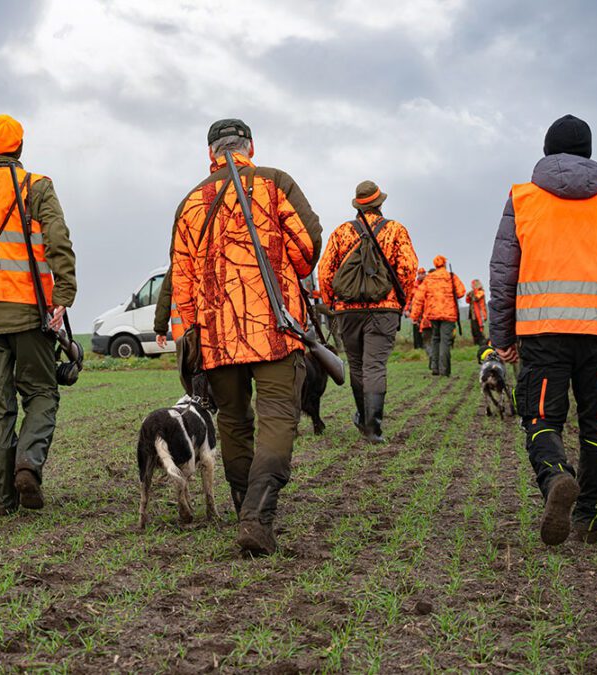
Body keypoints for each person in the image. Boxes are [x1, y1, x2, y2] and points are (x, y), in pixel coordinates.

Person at [489, 114, 597, 545]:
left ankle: (557, 477)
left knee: (542, 418)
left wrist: (502, 336)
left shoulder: (522, 198)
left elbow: (504, 273)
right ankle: (590, 521)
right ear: (590, 153)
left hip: (542, 333)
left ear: (546, 152)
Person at [170, 118, 321, 555]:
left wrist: (194, 330)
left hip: (217, 337)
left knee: (233, 421)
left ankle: (242, 504)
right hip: (274, 326)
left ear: (210, 153)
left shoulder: (191, 201)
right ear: (250, 147)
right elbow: (307, 248)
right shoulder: (275, 183)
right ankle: (258, 513)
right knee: (278, 417)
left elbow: (181, 280)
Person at [0, 114, 77, 516]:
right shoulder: (36, 185)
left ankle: (0, 498)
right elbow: (58, 239)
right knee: (40, 392)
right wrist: (65, 292)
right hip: (28, 308)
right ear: (19, 149)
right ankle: (28, 465)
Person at [318, 181, 418, 443]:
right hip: (384, 309)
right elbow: (408, 269)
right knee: (374, 366)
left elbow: (325, 271)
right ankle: (373, 429)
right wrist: (399, 300)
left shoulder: (341, 232)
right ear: (380, 203)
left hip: (347, 312)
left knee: (358, 365)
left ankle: (363, 418)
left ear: (358, 205)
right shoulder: (395, 230)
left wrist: (332, 303)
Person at [417, 255, 465, 376]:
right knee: (445, 341)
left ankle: (435, 368)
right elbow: (461, 292)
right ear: (444, 264)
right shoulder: (451, 277)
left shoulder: (429, 279)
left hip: (433, 314)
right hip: (449, 314)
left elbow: (419, 297)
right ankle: (444, 370)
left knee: (435, 339)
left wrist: (415, 315)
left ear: (435, 265)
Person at [405, 267, 427, 349]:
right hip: (415, 311)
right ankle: (417, 348)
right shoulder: (413, 286)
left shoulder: (428, 284)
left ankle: (426, 347)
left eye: (423, 273)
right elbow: (409, 299)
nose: (421, 275)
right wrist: (406, 309)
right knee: (416, 329)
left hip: (426, 310)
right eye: (420, 273)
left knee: (426, 328)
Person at [467, 278, 488, 351]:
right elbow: (468, 300)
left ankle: (483, 344)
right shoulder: (473, 293)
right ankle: (477, 344)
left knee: (480, 330)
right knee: (474, 330)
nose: (471, 286)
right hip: (473, 315)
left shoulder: (480, 292)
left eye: (472, 284)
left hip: (480, 315)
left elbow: (476, 298)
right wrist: (468, 294)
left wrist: (473, 292)